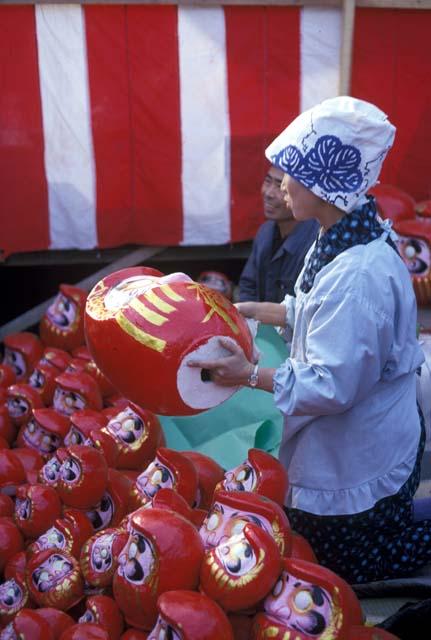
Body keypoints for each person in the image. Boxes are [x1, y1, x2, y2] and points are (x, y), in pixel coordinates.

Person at [188, 96, 431, 585]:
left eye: (289, 175)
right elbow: (321, 313)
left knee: (339, 568)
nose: (280, 185)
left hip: (361, 451)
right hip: (357, 436)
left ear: (324, 186)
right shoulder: (339, 232)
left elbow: (330, 384)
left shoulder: (359, 274)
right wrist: (268, 311)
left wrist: (247, 375)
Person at [238, 165, 319, 302]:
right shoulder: (265, 232)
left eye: (280, 186)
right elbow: (248, 286)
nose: (269, 193)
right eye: (268, 181)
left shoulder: (315, 241)